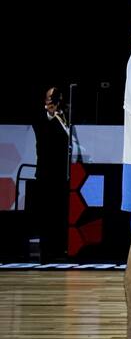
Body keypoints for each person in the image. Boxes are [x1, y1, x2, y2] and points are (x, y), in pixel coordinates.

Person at [31, 87, 69, 261]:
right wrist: (50, 113)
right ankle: (46, 250)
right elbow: (42, 126)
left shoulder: (64, 118)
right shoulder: (41, 119)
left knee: (59, 212)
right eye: (49, 98)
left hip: (62, 173)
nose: (51, 102)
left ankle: (59, 248)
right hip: (46, 173)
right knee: (46, 213)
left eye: (54, 98)